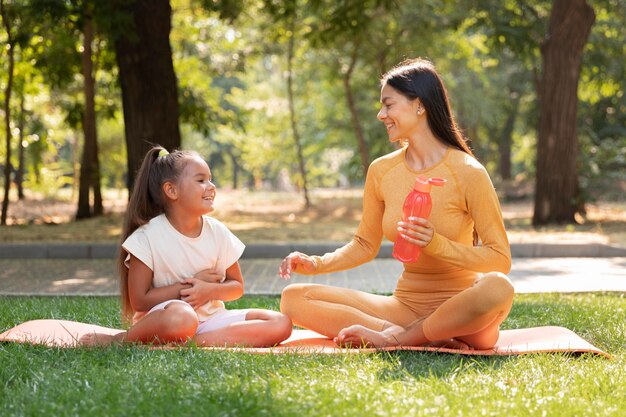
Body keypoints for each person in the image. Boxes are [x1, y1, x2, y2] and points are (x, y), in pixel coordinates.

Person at [279, 58, 514, 349]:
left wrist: (437, 244)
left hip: (464, 312)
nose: (381, 114)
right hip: (404, 308)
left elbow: (500, 259)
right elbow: (365, 244)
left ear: (420, 105)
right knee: (293, 298)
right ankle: (424, 336)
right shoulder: (381, 171)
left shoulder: (468, 171)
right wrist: (315, 264)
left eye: (388, 105)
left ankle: (400, 337)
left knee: (498, 287)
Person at [80, 146, 292, 347]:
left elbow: (236, 287)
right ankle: (119, 339)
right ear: (171, 190)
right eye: (201, 180)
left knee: (280, 323)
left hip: (210, 321)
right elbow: (140, 302)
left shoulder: (218, 232)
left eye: (210, 179)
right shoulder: (147, 238)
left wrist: (209, 291)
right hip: (167, 319)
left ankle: (192, 343)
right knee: (183, 317)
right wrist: (190, 287)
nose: (211, 186)